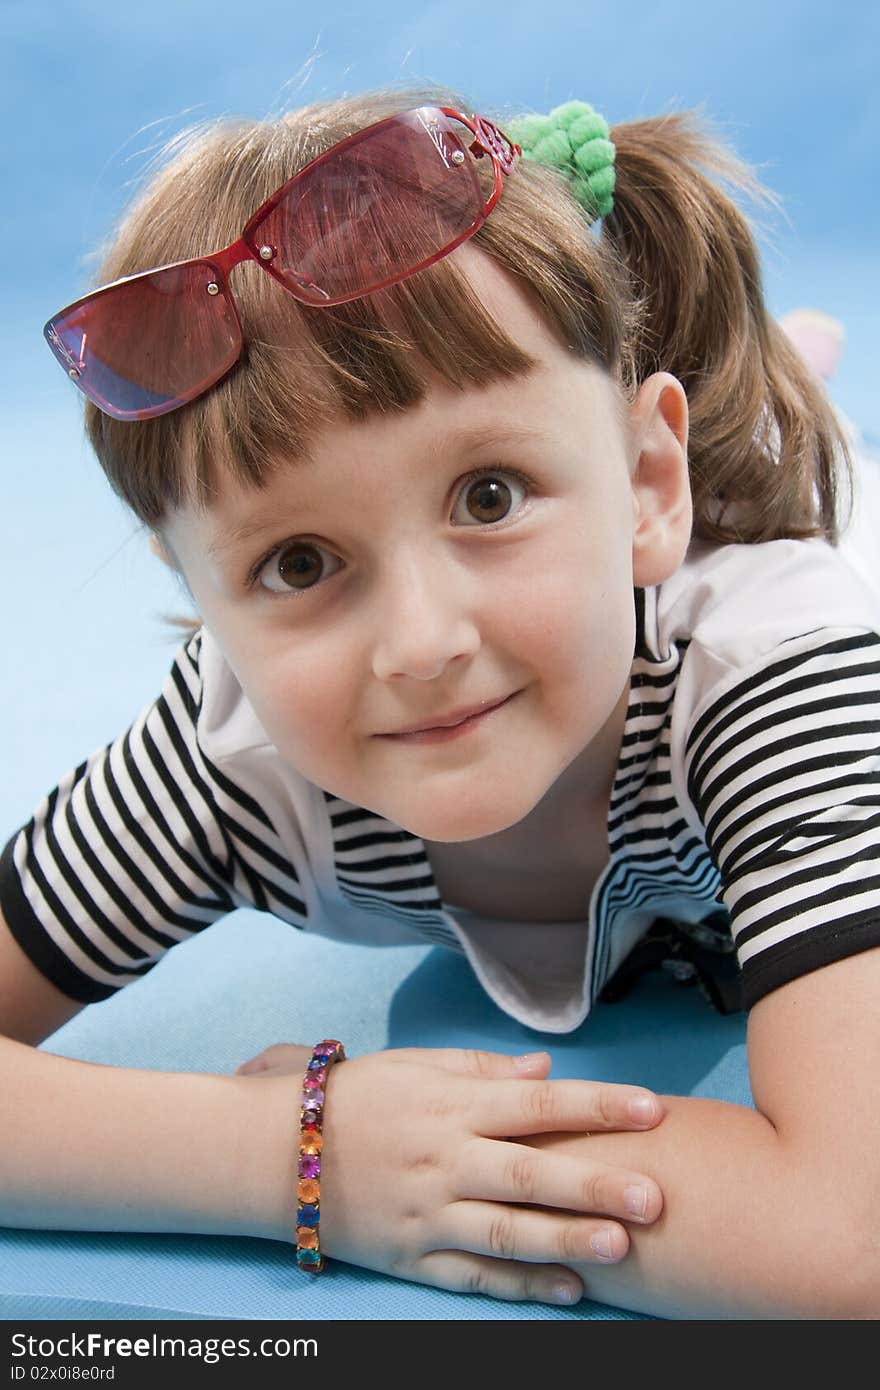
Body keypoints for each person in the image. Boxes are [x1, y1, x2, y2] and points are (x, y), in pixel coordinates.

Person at [1, 86, 878, 1320]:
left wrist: (403, 1163)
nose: (419, 646)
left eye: (488, 495)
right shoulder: (235, 762)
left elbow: (851, 1232)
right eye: (297, 564)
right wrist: (306, 1162)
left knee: (815, 470)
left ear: (642, 485)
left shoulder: (770, 668)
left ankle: (794, 384)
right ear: (205, 603)